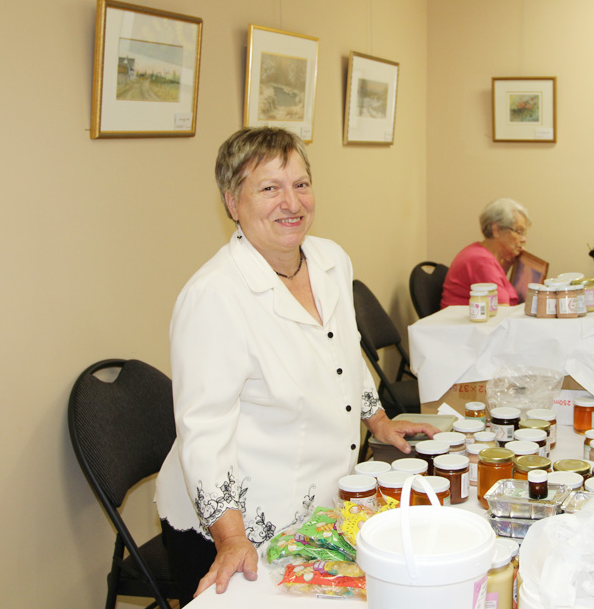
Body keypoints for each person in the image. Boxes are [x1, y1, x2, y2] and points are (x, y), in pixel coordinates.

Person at [154, 127, 438, 604]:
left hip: (322, 503)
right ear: (232, 202)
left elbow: (343, 353)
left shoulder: (330, 259)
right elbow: (203, 430)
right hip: (238, 527)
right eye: (269, 188)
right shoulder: (214, 297)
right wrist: (229, 538)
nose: (292, 202)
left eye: (301, 184)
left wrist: (380, 420)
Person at [440, 198, 531, 307]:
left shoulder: (481, 252)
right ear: (497, 230)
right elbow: (502, 312)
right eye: (519, 231)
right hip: (467, 323)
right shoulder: (482, 261)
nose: (523, 239)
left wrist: (506, 264)